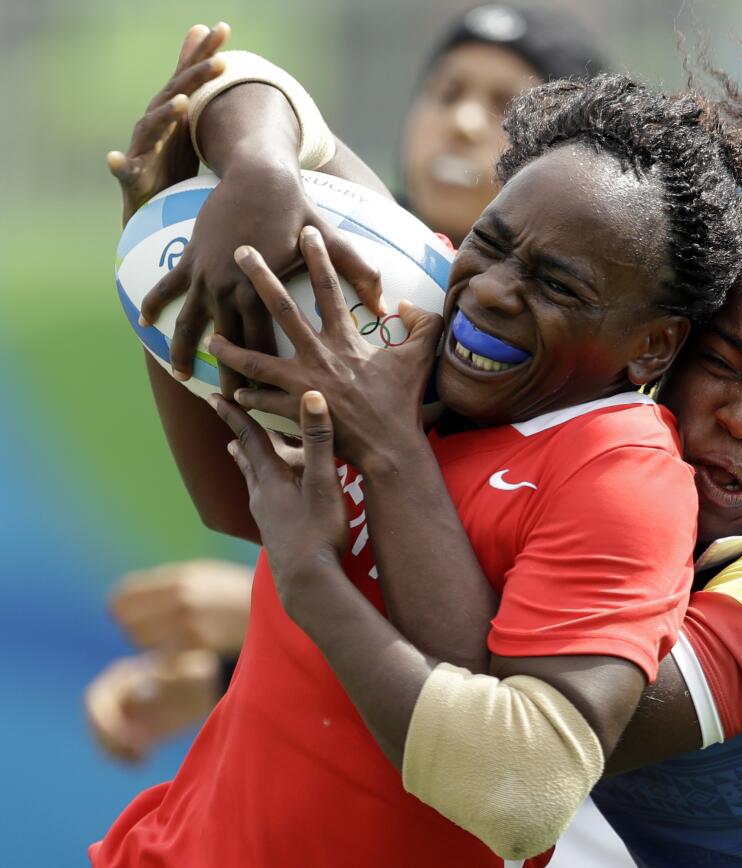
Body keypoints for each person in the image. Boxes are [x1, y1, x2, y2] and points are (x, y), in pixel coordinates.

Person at [198, 57, 742, 864]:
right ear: (661, 348)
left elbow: (519, 738)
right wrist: (262, 166)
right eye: (719, 363)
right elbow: (264, 96)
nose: (741, 416)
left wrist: (366, 483)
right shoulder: (525, 353)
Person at [91, 52, 742, 868]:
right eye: (493, 243)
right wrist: (236, 184)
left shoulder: (622, 475)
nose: (493, 291)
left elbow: (519, 793)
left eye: (558, 285)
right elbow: (250, 85)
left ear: (652, 346)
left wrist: (327, 561)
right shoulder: (420, 304)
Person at [86, 4, 610, 763]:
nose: (462, 122)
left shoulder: (568, 384)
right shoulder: (348, 253)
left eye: (504, 105)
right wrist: (180, 257)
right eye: (445, 89)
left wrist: (245, 618)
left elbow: (488, 690)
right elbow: (246, 79)